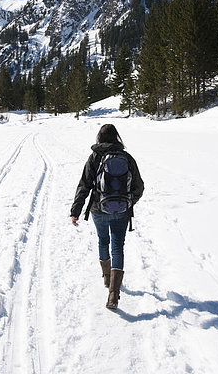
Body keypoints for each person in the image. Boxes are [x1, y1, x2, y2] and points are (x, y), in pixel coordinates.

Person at [70, 123, 144, 309]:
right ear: (117, 137)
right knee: (118, 246)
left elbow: (84, 185)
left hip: (98, 209)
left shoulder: (95, 157)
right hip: (122, 211)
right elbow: (139, 187)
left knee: (103, 241)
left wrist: (75, 211)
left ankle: (106, 277)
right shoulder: (126, 158)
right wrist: (128, 201)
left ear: (99, 138)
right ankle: (113, 293)